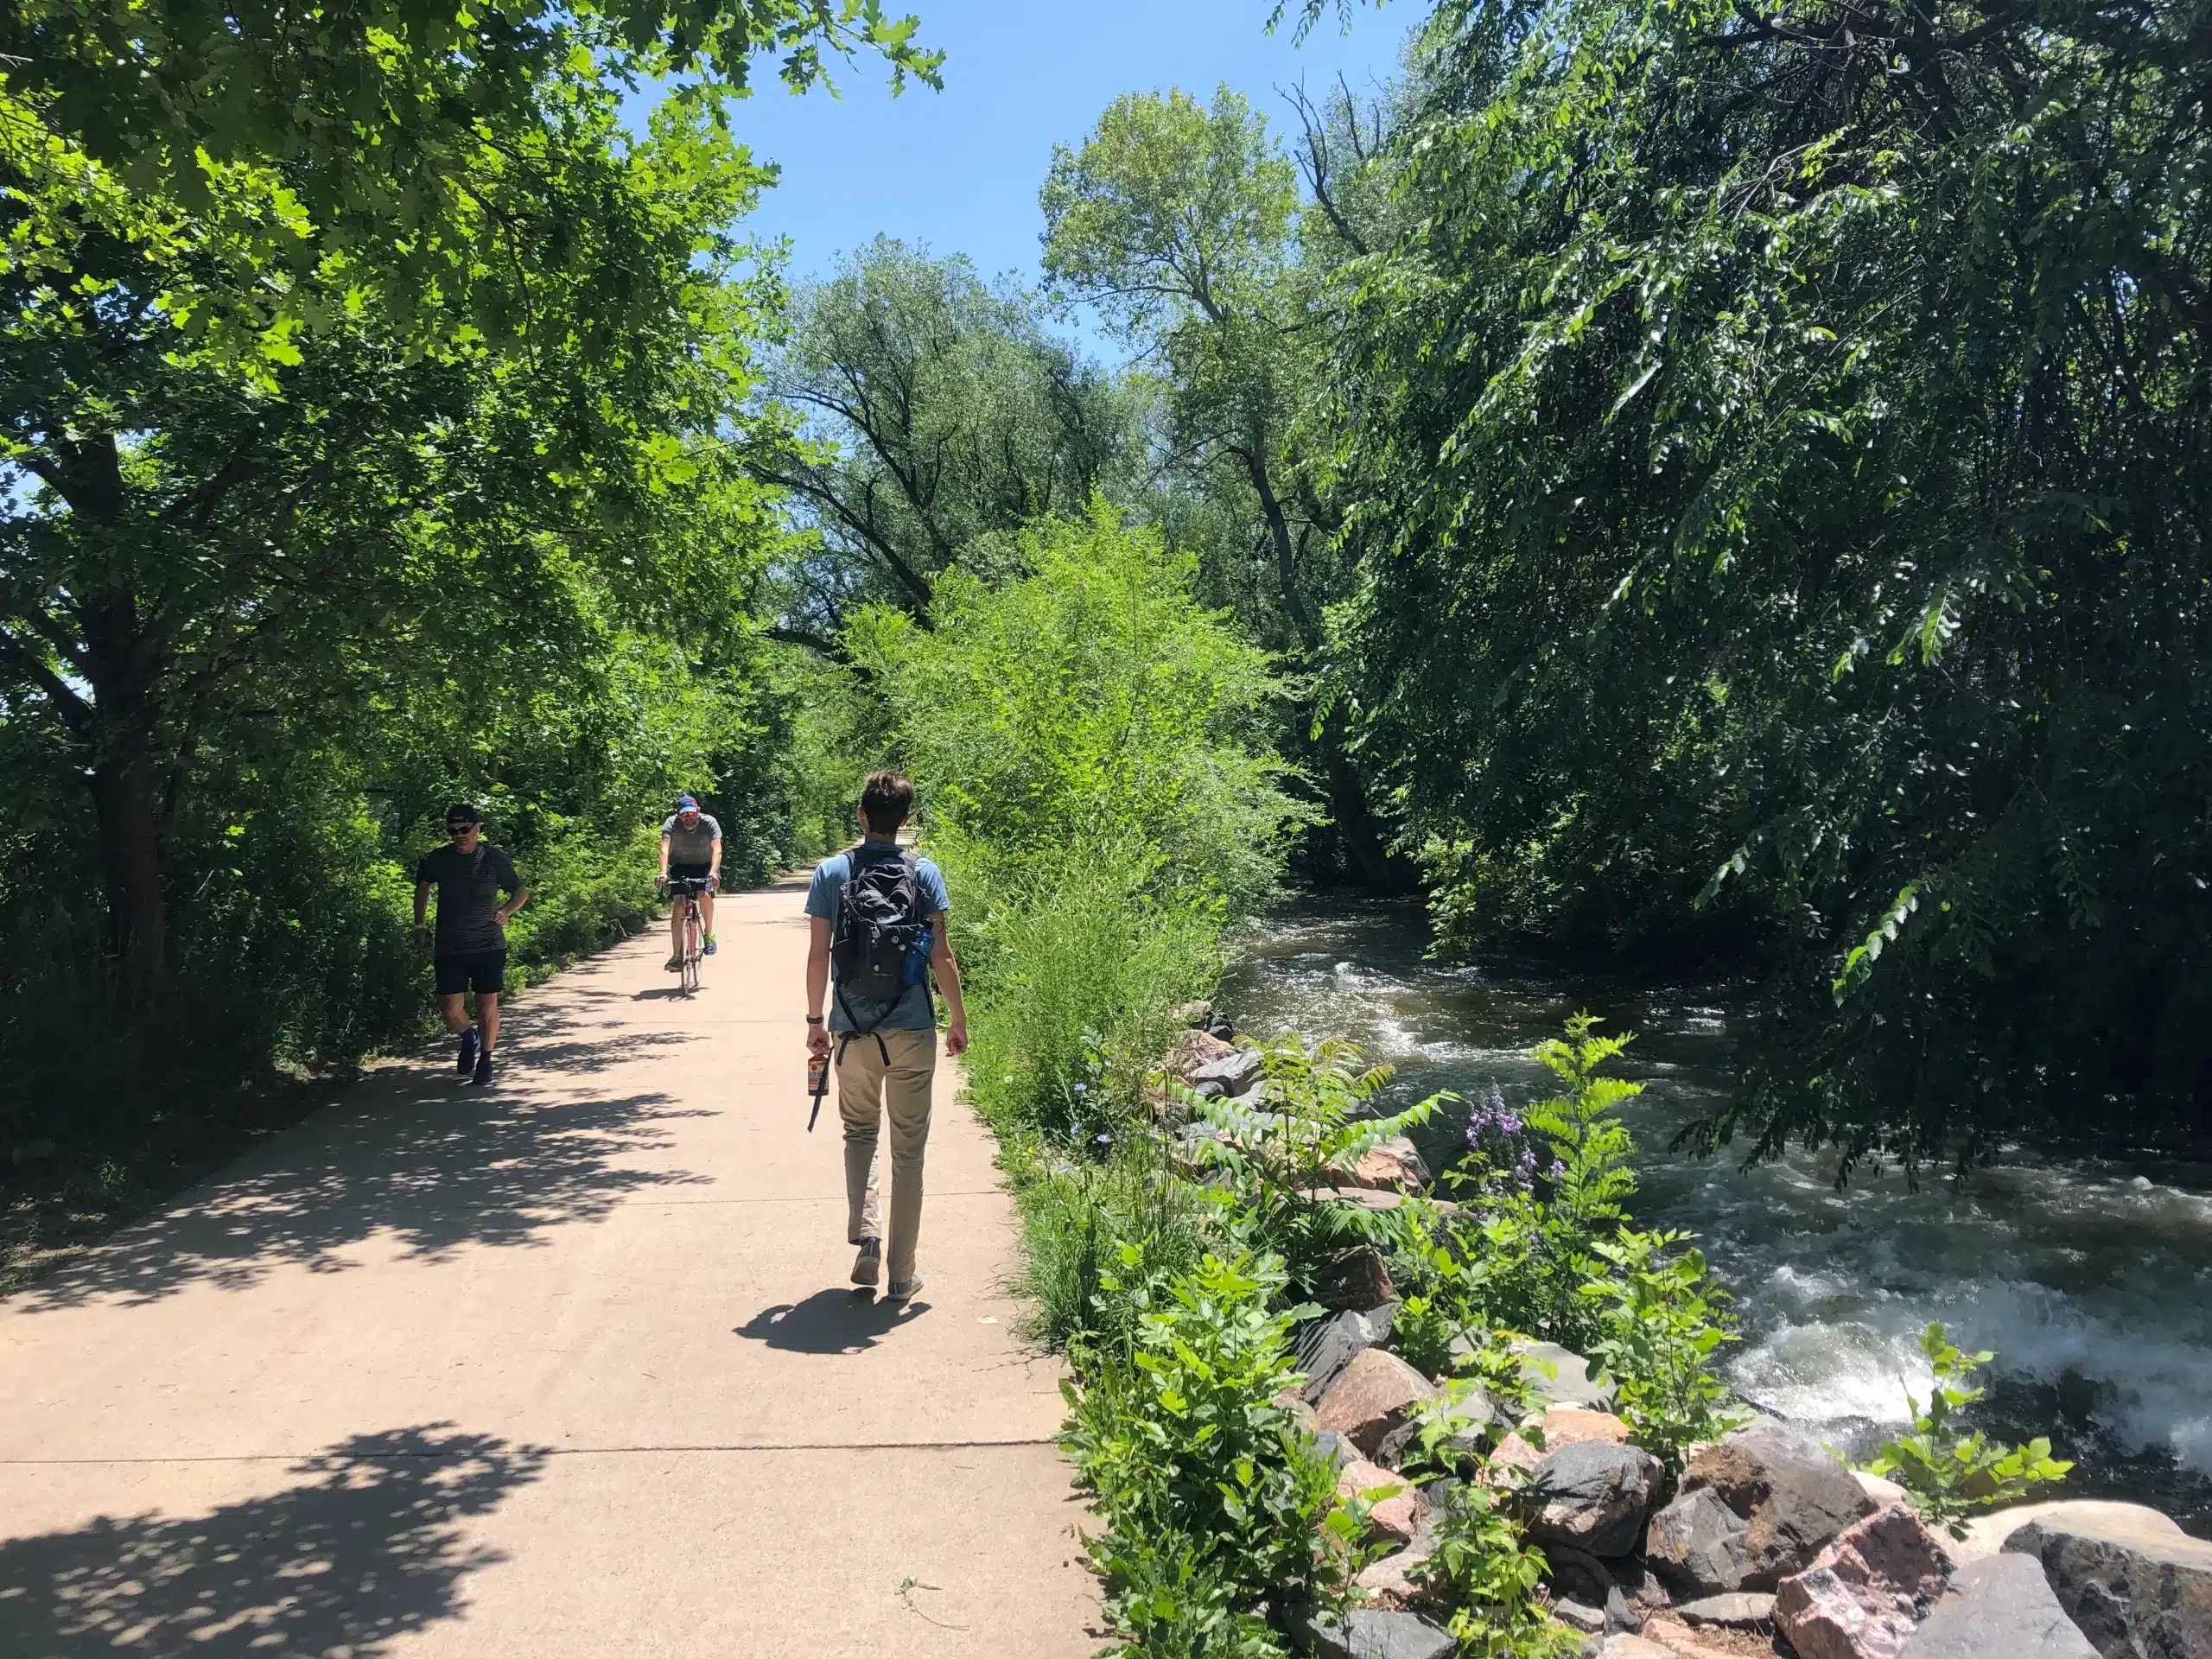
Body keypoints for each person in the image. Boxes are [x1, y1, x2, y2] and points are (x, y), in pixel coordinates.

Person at [804, 770, 968, 1303]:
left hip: (852, 1028)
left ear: (861, 815)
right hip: (913, 1025)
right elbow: (941, 956)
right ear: (905, 820)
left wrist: (814, 1024)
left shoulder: (832, 873)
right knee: (909, 1152)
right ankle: (903, 1275)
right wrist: (958, 1019)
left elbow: (817, 955)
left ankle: (867, 1236)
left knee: (859, 1133)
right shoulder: (925, 874)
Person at [414, 803, 529, 1086]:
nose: (459, 835)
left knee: (486, 1004)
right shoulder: (439, 859)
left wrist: (507, 911)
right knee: (450, 1010)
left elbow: (520, 890)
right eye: (453, 831)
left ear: (478, 828)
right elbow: (423, 888)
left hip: (488, 944)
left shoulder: (492, 858)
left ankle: (486, 1061)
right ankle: (469, 1036)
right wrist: (420, 924)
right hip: (450, 946)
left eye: (465, 829)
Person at [657, 794, 722, 970]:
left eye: (691, 814)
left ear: (697, 812)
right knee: (678, 906)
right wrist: (662, 872)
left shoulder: (709, 823)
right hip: (681, 866)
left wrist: (714, 873)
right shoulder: (671, 824)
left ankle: (708, 933)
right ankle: (677, 956)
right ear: (679, 815)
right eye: (684, 815)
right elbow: (664, 850)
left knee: (705, 895)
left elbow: (717, 850)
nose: (688, 818)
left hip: (706, 866)